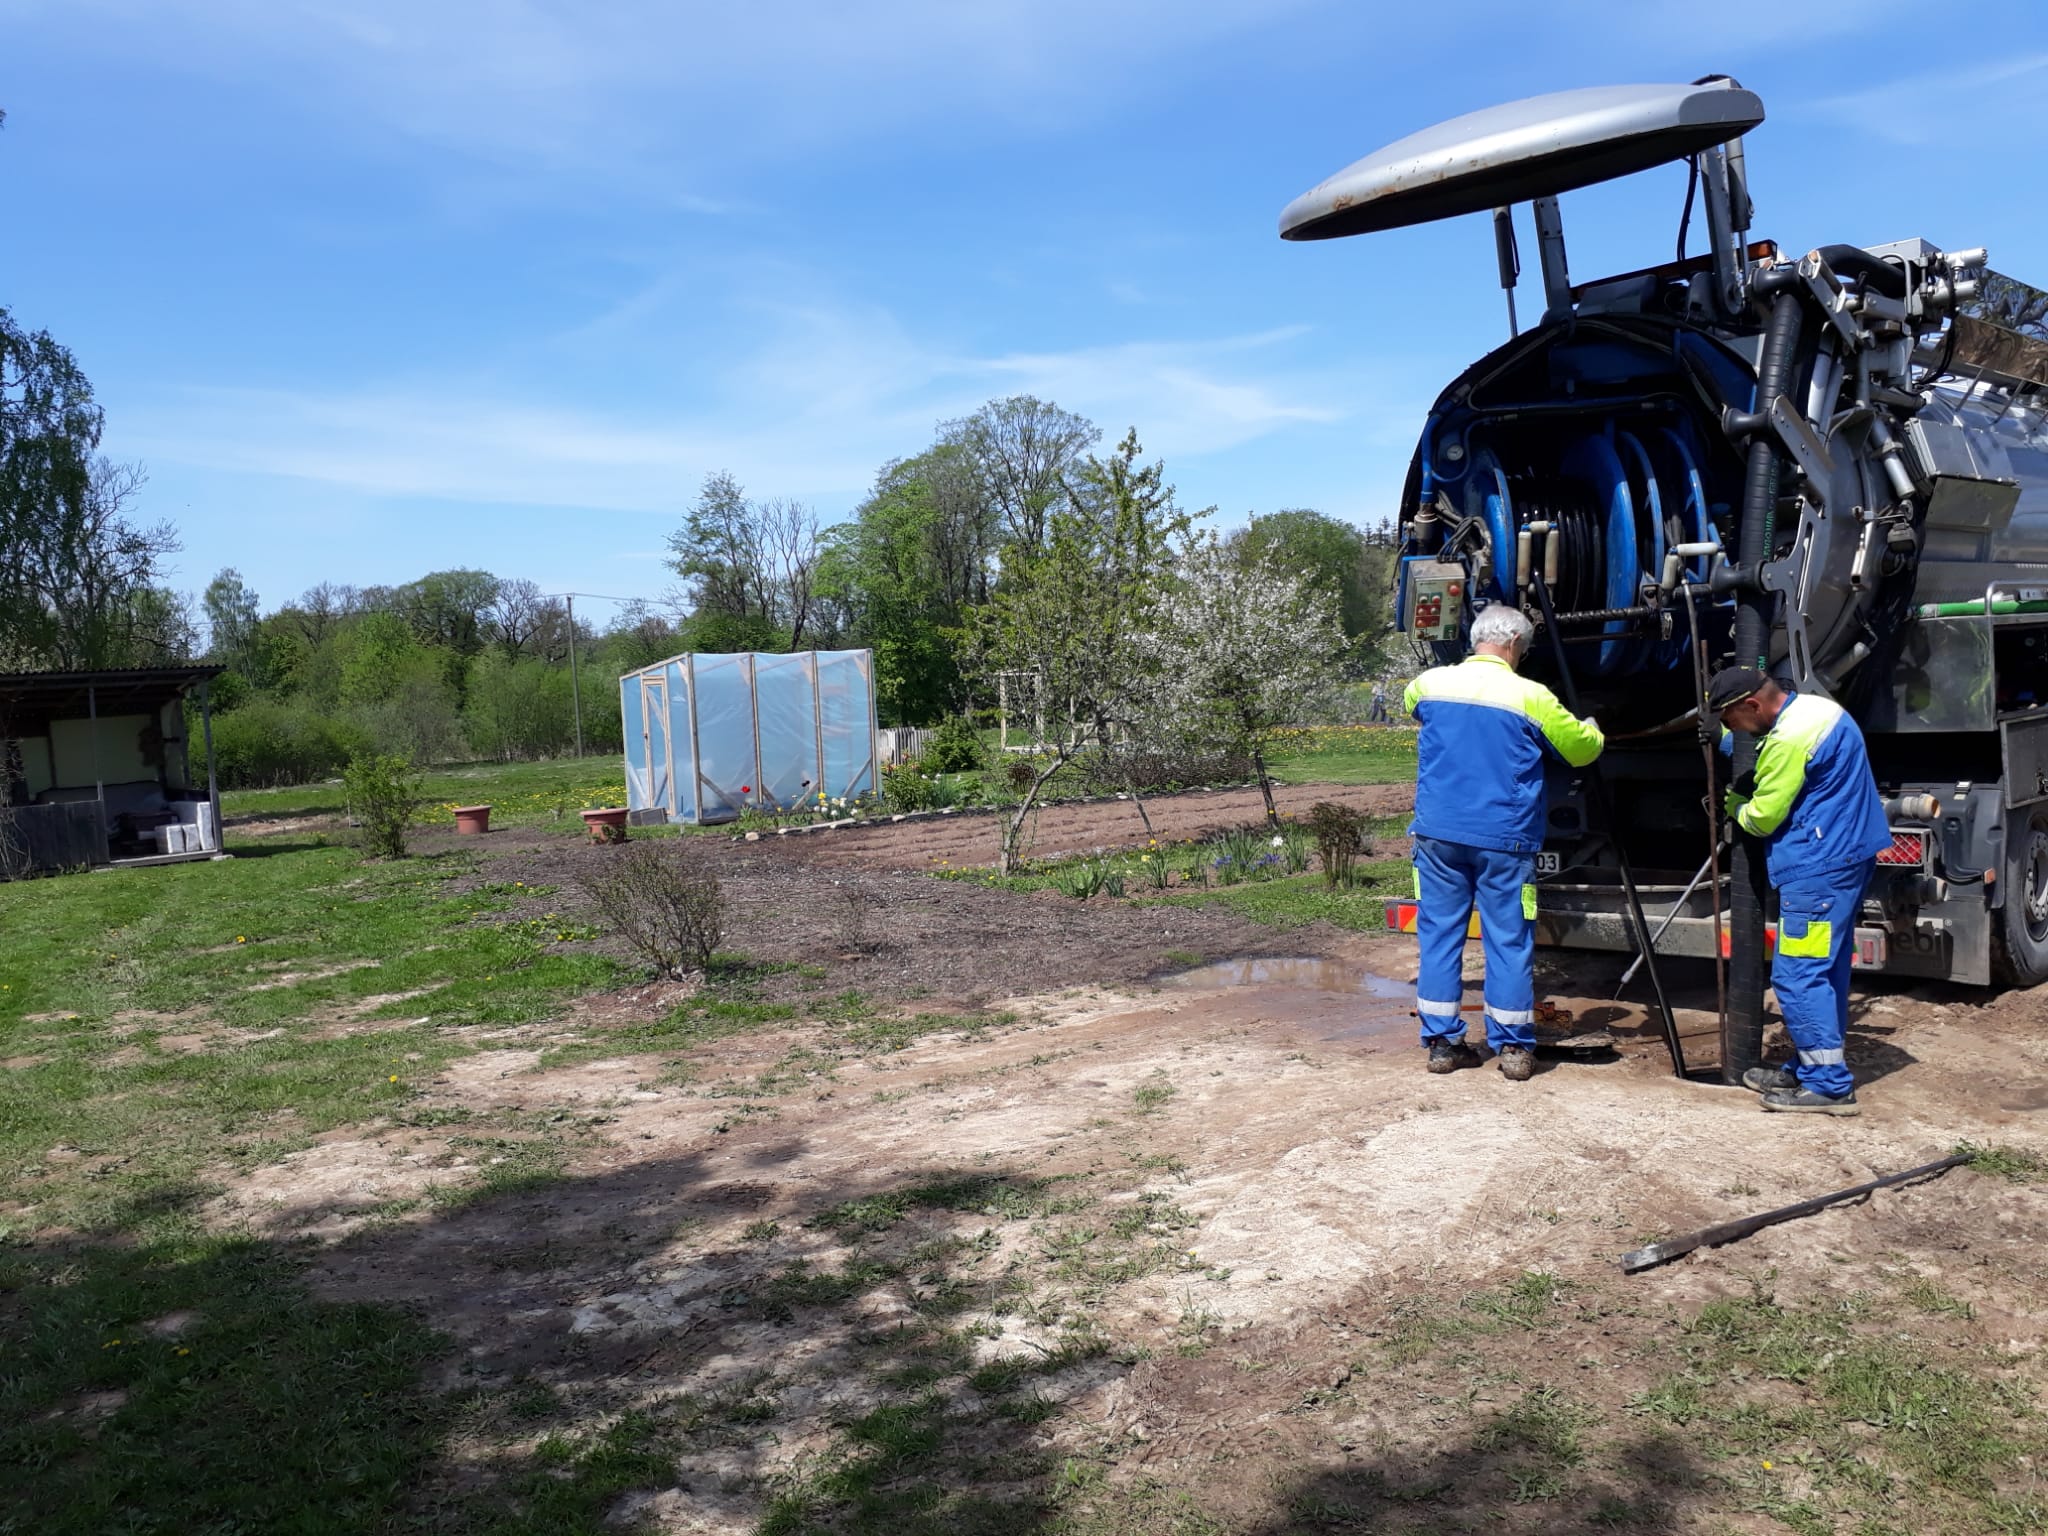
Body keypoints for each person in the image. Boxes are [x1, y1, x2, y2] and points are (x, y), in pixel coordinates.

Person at [1404, 605, 1604, 1079]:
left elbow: (1416, 709)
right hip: (1503, 840)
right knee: (1508, 940)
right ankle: (1513, 1049)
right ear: (1514, 643)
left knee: (1438, 936)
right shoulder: (1531, 696)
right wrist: (1593, 730)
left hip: (1437, 836)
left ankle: (1442, 1044)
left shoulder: (1428, 685)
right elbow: (1580, 750)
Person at [1711, 666, 1891, 1116]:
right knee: (1827, 972)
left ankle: (1830, 1085)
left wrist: (1735, 806)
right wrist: (1727, 736)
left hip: (1818, 873)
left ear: (1752, 704)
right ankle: (1811, 1067)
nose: (1729, 728)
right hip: (1847, 857)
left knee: (1798, 974)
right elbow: (1769, 743)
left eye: (1730, 718)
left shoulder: (1789, 742)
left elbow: (1764, 817)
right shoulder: (1816, 710)